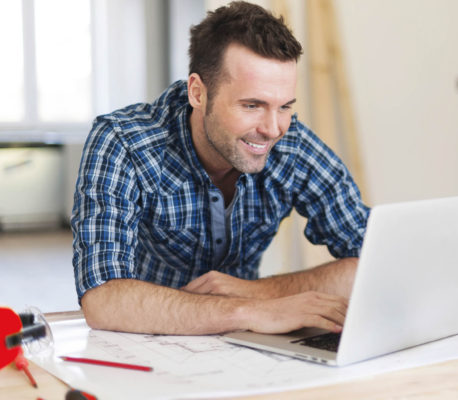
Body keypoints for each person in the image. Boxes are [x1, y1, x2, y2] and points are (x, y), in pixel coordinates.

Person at [71, 1, 369, 336]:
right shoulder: (123, 142)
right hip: (146, 338)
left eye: (284, 106)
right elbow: (104, 299)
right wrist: (249, 310)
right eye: (252, 105)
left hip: (245, 344)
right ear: (197, 92)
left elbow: (375, 260)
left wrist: (257, 293)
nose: (273, 129)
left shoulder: (292, 145)